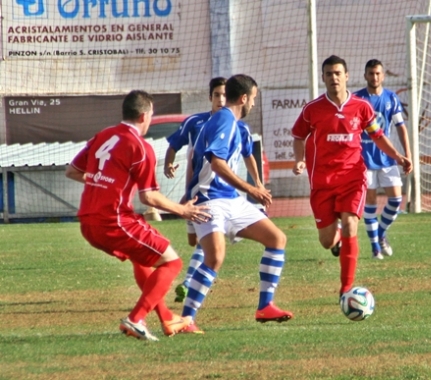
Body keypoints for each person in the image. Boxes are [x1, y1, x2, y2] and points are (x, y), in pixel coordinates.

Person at [64, 90, 211, 342]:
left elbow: (73, 171)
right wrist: (183, 209)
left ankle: (167, 318)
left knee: (141, 259)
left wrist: (100, 180)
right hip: (114, 220)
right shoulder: (140, 147)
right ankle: (136, 319)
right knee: (171, 262)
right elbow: (149, 197)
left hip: (88, 221)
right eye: (151, 114)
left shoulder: (103, 135)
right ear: (144, 115)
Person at [292, 55, 412, 297]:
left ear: (346, 76)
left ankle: (346, 289)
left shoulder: (361, 107)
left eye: (338, 73)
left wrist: (398, 156)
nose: (334, 78)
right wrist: (299, 159)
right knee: (326, 241)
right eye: (329, 74)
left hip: (353, 178)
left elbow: (377, 135)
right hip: (322, 183)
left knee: (349, 225)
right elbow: (297, 136)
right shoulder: (312, 110)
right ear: (324, 78)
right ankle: (335, 240)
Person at [180, 74, 292, 332]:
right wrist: (252, 188)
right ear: (244, 98)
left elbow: (243, 155)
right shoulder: (223, 120)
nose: (253, 102)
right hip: (210, 200)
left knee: (277, 239)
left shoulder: (233, 123)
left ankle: (265, 306)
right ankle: (186, 318)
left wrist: (255, 186)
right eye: (253, 98)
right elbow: (217, 164)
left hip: (231, 199)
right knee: (215, 257)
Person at [163, 78, 266, 305]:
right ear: (211, 97)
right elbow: (175, 143)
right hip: (195, 191)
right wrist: (168, 163)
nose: (220, 99)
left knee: (206, 242)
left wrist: (257, 183)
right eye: (216, 95)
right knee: (195, 241)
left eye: (223, 94)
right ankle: (227, 235)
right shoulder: (196, 122)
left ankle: (189, 283)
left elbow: (249, 155)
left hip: (219, 196)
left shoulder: (240, 126)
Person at [354, 59, 411, 260]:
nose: (374, 77)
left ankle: (380, 234)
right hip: (365, 160)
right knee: (370, 202)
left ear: (383, 76)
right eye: (371, 73)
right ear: (365, 76)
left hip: (387, 158)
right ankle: (375, 248)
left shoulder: (391, 98)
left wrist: (407, 155)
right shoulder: (357, 99)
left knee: (396, 200)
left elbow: (400, 127)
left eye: (378, 73)